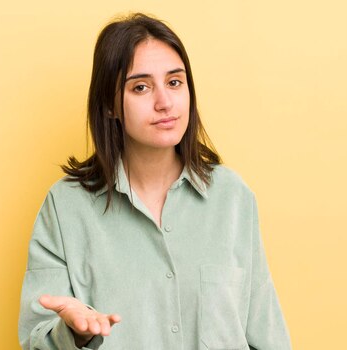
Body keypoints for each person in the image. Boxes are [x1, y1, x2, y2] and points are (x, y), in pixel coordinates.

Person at [18, 13, 291, 350]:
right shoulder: (64, 207)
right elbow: (35, 341)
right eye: (141, 87)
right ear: (108, 106)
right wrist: (75, 333)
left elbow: (267, 334)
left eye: (174, 82)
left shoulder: (233, 198)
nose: (164, 103)